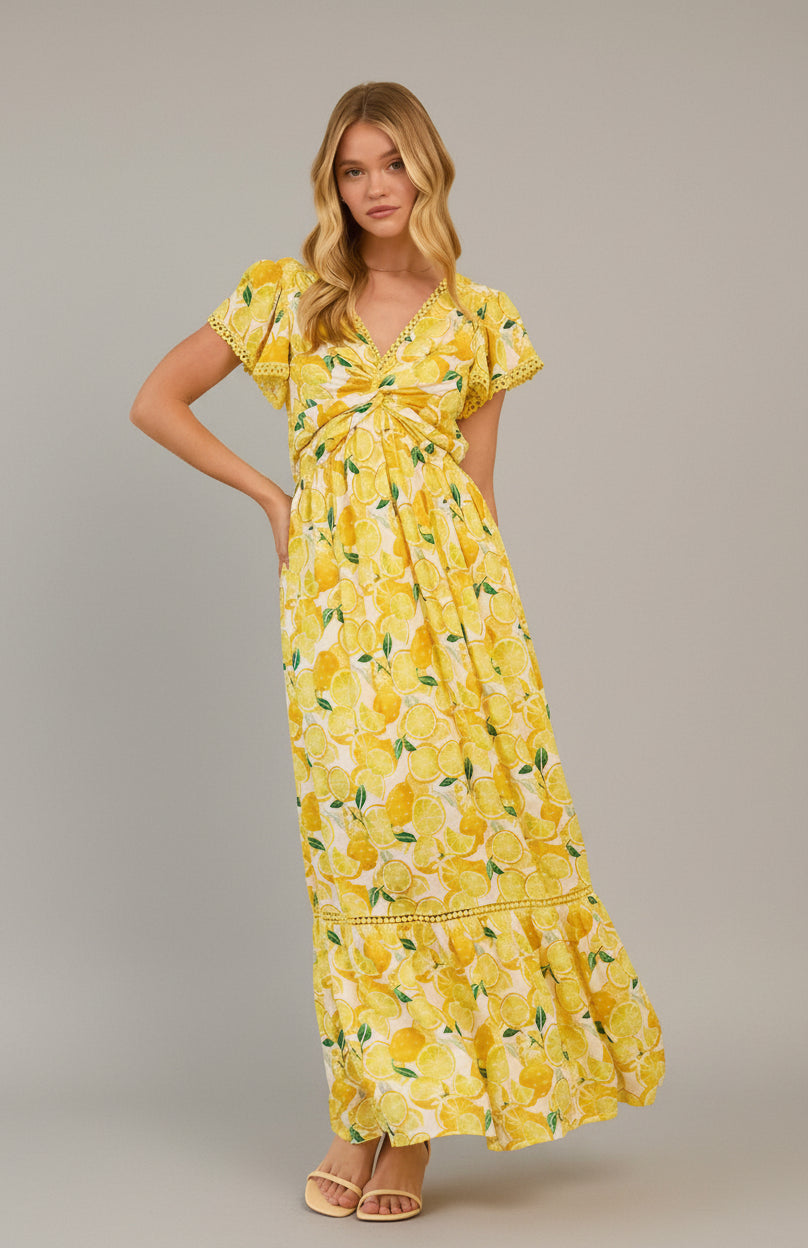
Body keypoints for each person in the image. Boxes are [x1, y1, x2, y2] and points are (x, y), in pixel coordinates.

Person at [130, 80, 666, 1223]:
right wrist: (274, 501)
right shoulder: (287, 301)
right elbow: (157, 399)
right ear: (331, 183)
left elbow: (477, 490)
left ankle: (413, 1130)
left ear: (428, 172)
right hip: (336, 610)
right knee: (359, 850)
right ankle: (363, 1108)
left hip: (459, 615)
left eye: (391, 165)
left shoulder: (479, 318)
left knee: (456, 849)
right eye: (351, 169)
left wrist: (489, 632)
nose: (373, 188)